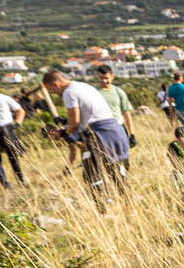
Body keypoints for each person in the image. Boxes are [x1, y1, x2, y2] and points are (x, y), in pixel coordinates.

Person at [41, 65, 130, 204]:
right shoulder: (83, 86)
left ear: (55, 84)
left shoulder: (68, 93)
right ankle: (127, 203)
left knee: (92, 174)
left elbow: (75, 124)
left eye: (51, 90)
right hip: (115, 130)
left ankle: (102, 209)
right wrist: (66, 123)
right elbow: (85, 117)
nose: (52, 93)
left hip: (100, 134)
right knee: (116, 172)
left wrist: (61, 133)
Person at [95, 66, 137, 145]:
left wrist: (132, 134)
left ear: (112, 77)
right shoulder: (93, 92)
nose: (104, 81)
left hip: (118, 128)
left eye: (106, 78)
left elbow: (126, 113)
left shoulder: (119, 92)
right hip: (100, 130)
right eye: (101, 78)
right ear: (97, 77)